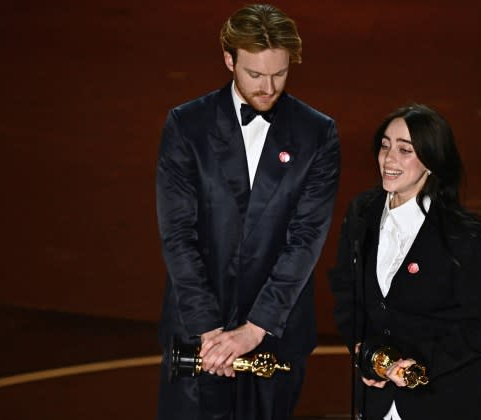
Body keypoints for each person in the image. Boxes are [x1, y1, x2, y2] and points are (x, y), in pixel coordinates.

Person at [155, 4, 340, 419]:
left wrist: (254, 329)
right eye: (255, 74)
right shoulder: (187, 125)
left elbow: (306, 238)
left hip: (274, 333)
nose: (268, 87)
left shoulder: (318, 133)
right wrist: (210, 332)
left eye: (280, 73)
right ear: (228, 59)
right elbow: (177, 235)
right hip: (198, 335)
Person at [329, 104, 481, 419]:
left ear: (432, 161)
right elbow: (345, 290)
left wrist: (419, 364)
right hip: (377, 399)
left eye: (405, 150)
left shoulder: (466, 236)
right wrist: (367, 353)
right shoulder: (362, 212)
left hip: (445, 400)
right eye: (385, 145)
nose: (389, 159)